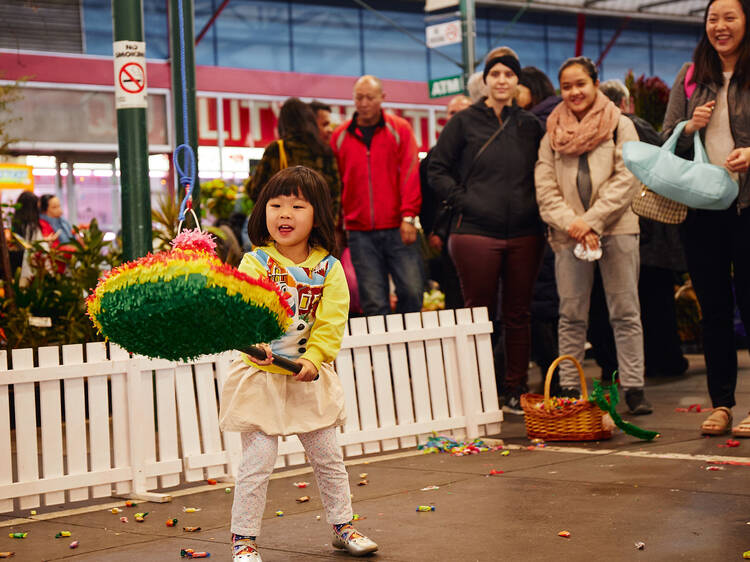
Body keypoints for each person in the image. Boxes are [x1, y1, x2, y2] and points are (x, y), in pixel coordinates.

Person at [219, 166, 378, 561]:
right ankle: (244, 541)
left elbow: (331, 322)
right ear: (263, 211)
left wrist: (315, 358)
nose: (284, 214)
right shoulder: (254, 262)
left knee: (328, 459)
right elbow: (246, 311)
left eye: (296, 205)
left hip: (308, 378)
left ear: (317, 215)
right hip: (260, 377)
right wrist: (255, 343)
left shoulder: (330, 268)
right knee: (256, 464)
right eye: (275, 205)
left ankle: (343, 527)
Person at [428, 49, 545, 414]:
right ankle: (476, 390)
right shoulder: (464, 122)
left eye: (508, 74)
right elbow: (436, 168)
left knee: (518, 314)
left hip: (525, 232)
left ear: (516, 81)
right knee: (477, 315)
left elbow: (545, 169)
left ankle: (515, 388)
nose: (501, 80)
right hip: (475, 231)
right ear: (486, 80)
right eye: (494, 74)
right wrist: (465, 201)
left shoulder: (530, 125)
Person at [535, 56, 653, 415]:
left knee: (626, 311)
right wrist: (573, 224)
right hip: (568, 235)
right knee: (570, 314)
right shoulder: (551, 133)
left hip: (617, 229)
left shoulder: (619, 125)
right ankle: (571, 387)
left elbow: (627, 178)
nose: (574, 92)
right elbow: (545, 188)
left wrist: (593, 222)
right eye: (567, 87)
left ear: (595, 84)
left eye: (580, 84)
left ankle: (634, 388)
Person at [661, 0, 750, 436]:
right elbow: (667, 138)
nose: (720, 26)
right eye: (713, 18)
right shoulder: (691, 75)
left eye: (730, 17)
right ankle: (723, 404)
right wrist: (690, 128)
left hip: (748, 206)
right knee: (713, 310)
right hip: (703, 209)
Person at [599, 79, 689, 380]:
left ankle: (615, 365)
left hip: (610, 226)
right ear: (627, 103)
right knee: (654, 300)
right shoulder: (640, 127)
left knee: (613, 302)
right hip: (650, 228)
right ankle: (664, 360)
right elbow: (668, 167)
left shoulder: (595, 129)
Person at [331, 75, 423, 316]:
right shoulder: (339, 136)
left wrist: (409, 216)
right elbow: (335, 183)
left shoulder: (400, 129)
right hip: (359, 233)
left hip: (399, 227)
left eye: (369, 97)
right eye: (358, 97)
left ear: (382, 98)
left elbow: (411, 172)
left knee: (412, 292)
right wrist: (337, 225)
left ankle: (409, 347)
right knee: (373, 302)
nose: (363, 103)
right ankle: (385, 354)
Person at [249, 97, 341, 222]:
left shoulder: (278, 149)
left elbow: (256, 190)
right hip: (318, 226)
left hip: (285, 225)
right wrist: (329, 223)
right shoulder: (325, 152)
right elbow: (335, 192)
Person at [419, 94, 471, 309]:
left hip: (481, 231)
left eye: (462, 113)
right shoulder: (434, 157)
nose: (456, 118)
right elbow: (425, 197)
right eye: (451, 113)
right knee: (453, 292)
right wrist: (432, 230)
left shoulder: (482, 153)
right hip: (446, 235)